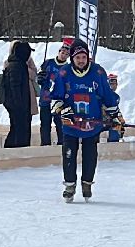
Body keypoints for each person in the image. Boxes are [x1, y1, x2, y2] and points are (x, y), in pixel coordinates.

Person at [51, 39, 121, 201]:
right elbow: (56, 98)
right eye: (78, 58)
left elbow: (107, 96)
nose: (81, 61)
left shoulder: (98, 72)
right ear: (72, 58)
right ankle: (70, 185)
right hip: (70, 124)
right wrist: (64, 110)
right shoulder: (64, 73)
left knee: (90, 155)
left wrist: (115, 116)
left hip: (92, 122)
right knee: (69, 154)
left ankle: (87, 182)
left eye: (84, 57)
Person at [0, 39, 34, 148]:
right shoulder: (15, 66)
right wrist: (20, 105)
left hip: (20, 104)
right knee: (19, 129)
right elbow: (15, 87)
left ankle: (16, 148)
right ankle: (16, 150)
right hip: (17, 105)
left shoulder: (19, 64)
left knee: (18, 128)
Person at [37, 37, 71, 147]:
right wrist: (40, 78)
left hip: (59, 101)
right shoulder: (48, 63)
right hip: (46, 98)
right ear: (59, 52)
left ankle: (62, 144)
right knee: (45, 123)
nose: (63, 55)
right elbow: (39, 76)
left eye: (66, 54)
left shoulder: (68, 68)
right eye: (62, 52)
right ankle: (45, 144)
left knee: (60, 124)